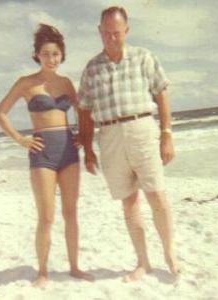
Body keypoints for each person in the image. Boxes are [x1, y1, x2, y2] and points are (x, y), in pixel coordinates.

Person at [78, 6, 180, 282]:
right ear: (99, 32)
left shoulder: (144, 57)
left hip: (142, 129)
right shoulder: (91, 68)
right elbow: (84, 112)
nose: (112, 38)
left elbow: (161, 94)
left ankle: (170, 253)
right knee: (129, 201)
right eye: (107, 33)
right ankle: (143, 262)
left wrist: (167, 134)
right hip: (109, 136)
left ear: (127, 31)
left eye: (117, 33)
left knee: (157, 194)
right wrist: (87, 150)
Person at [0, 24, 94, 287]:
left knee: (70, 213)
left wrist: (83, 136)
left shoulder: (66, 83)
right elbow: (0, 113)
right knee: (46, 216)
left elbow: (82, 111)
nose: (51, 58)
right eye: (46, 53)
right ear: (37, 55)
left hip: (69, 151)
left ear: (62, 55)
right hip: (42, 153)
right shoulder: (26, 83)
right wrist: (20, 139)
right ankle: (43, 272)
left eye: (56, 54)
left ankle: (74, 267)